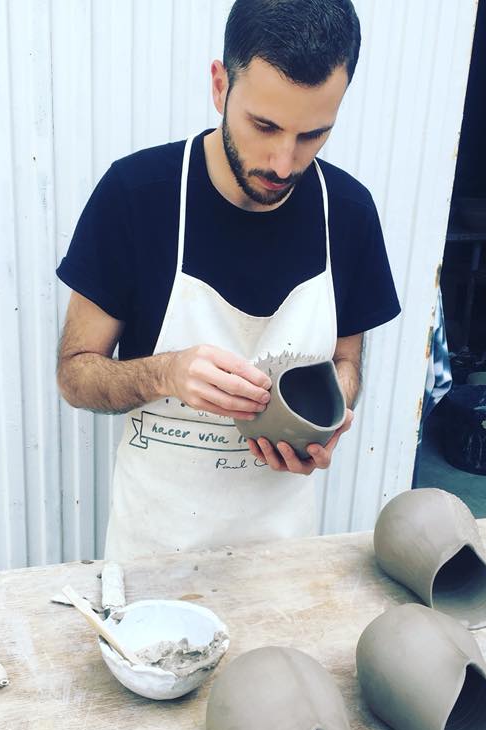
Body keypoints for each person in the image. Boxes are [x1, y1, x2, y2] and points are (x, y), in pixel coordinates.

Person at [56, 0, 400, 564]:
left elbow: (347, 361)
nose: (284, 162)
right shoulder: (135, 197)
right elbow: (74, 375)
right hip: (154, 561)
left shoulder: (350, 214)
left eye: (313, 134)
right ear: (220, 86)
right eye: (264, 125)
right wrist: (165, 371)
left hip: (284, 558)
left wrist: (329, 419)